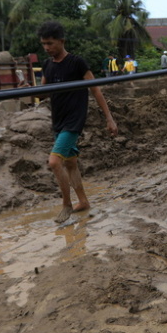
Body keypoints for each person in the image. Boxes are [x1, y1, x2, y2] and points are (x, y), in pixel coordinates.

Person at [38, 21, 118, 223]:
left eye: (50, 43)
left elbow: (95, 89)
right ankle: (83, 201)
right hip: (58, 119)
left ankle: (66, 204)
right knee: (70, 163)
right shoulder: (47, 65)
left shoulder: (77, 63)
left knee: (54, 162)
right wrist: (25, 90)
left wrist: (109, 118)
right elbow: (42, 92)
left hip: (74, 120)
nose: (47, 48)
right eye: (44, 44)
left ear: (62, 41)